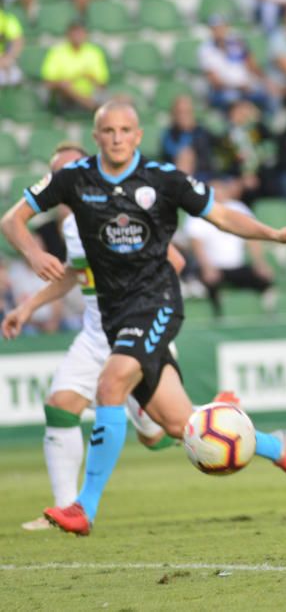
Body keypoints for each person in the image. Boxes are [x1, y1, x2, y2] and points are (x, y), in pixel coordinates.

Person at [0, 101, 286, 535]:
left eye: (125, 129)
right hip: (113, 316)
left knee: (110, 385)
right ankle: (280, 448)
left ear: (138, 135)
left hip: (157, 303)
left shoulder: (162, 178)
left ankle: (83, 507)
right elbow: (13, 219)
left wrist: (274, 234)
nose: (117, 137)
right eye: (108, 130)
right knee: (175, 425)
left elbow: (220, 215)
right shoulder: (75, 179)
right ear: (96, 136)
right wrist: (33, 253)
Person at [3, 142, 183, 530]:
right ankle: (67, 509)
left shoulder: (126, 210)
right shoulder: (73, 226)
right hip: (94, 332)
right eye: (56, 173)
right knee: (59, 405)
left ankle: (228, 419)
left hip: (137, 328)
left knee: (163, 431)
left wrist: (148, 300)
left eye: (70, 169)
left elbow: (177, 262)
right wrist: (28, 308)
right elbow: (74, 274)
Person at [185, 177, 274, 316]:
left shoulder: (238, 208)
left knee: (264, 279)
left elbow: (252, 238)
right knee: (208, 284)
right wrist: (207, 267)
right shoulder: (198, 212)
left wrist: (259, 262)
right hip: (213, 267)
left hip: (236, 266)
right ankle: (217, 316)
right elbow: (196, 243)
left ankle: (260, 314)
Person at [199, 15, 273, 114]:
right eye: (216, 28)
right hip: (225, 90)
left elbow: (251, 64)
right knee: (233, 98)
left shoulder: (237, 41)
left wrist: (265, 80)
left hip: (246, 87)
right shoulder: (206, 50)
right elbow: (215, 82)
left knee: (270, 94)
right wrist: (239, 87)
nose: (219, 31)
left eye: (222, 27)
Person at [40, 20, 109, 112]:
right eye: (74, 32)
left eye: (80, 32)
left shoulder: (94, 52)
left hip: (90, 93)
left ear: (86, 34)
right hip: (65, 99)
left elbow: (102, 84)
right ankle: (95, 107)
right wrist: (66, 81)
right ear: (67, 35)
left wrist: (89, 77)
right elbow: (47, 83)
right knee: (64, 86)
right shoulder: (56, 52)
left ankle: (97, 106)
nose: (77, 36)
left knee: (123, 97)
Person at [160, 95, 217, 180]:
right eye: (179, 112)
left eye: (187, 112)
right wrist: (186, 132)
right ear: (173, 114)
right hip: (178, 178)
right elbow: (173, 153)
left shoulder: (202, 132)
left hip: (205, 177)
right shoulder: (169, 134)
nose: (183, 116)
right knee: (186, 154)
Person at [0, 2, 24, 87]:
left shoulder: (5, 18)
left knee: (15, 76)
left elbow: (18, 41)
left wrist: (8, 58)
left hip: (4, 60)